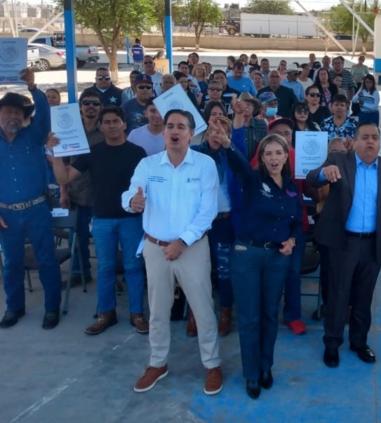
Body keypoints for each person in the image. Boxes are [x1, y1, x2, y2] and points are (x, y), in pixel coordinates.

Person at [123, 110, 222, 396]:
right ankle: (157, 363)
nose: (175, 131)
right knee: (157, 310)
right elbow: (130, 194)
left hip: (192, 248)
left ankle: (212, 364)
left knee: (202, 308)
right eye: (170, 126)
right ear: (164, 132)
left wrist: (182, 241)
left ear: (191, 134)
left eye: (181, 126)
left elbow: (208, 211)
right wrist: (132, 202)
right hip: (155, 248)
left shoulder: (204, 165)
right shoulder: (148, 164)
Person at [307, 123, 381, 367]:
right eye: (365, 137)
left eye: (375, 138)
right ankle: (332, 343)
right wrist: (324, 172)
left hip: (373, 245)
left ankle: (359, 342)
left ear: (380, 142)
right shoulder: (339, 161)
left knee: (364, 297)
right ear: (355, 141)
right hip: (343, 243)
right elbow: (312, 179)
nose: (370, 142)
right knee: (338, 296)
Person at [49, 107, 148, 336]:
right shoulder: (92, 152)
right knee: (105, 268)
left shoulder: (137, 152)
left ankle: (137, 313)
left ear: (124, 124)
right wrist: (56, 156)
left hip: (132, 220)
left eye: (116, 121)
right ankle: (106, 313)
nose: (112, 125)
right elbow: (64, 177)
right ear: (101, 126)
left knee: (133, 267)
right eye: (107, 122)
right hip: (102, 219)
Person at [228, 134, 301, 399]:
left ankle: (265, 366)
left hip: (277, 258)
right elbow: (238, 165)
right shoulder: (253, 180)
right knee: (249, 317)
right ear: (261, 158)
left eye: (278, 153)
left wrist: (292, 240)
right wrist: (227, 144)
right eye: (268, 153)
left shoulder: (291, 187)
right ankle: (251, 373)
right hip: (248, 255)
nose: (273, 158)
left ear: (286, 156)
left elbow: (296, 222)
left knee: (270, 314)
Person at [0, 69, 63, 329]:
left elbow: (45, 114)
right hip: (6, 215)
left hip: (37, 209)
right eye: (8, 111)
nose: (13, 116)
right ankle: (14, 307)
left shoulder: (34, 136)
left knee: (46, 260)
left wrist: (33, 88)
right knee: (12, 263)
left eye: (18, 113)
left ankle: (52, 308)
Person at [191, 117, 245, 337]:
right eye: (213, 131)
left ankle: (225, 312)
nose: (217, 135)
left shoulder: (232, 154)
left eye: (223, 132)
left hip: (224, 222)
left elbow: (244, 168)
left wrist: (229, 145)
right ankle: (195, 313)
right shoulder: (194, 153)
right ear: (206, 134)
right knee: (197, 271)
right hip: (198, 223)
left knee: (224, 270)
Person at [63, 91, 105, 284]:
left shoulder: (106, 131)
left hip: (102, 194)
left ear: (101, 107)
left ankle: (110, 272)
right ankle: (80, 273)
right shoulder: (70, 131)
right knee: (77, 238)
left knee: (105, 239)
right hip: (76, 192)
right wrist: (63, 191)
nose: (91, 107)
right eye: (86, 103)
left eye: (95, 104)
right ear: (80, 107)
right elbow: (64, 164)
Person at [231, 93, 268, 161]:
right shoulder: (230, 125)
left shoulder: (261, 124)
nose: (246, 107)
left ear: (254, 108)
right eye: (243, 104)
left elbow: (265, 146)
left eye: (248, 104)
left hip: (256, 164)